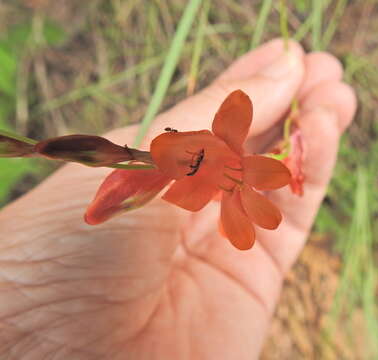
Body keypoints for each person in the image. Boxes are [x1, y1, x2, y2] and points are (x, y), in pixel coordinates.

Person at [0, 39, 356, 359]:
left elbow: (216, 159)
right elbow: (192, 169)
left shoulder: (215, 172)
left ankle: (28, 150)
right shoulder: (190, 172)